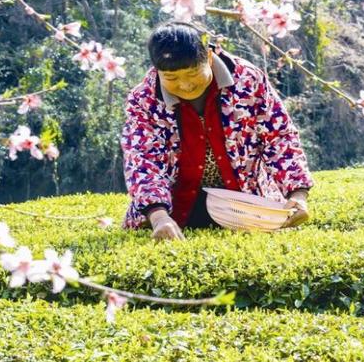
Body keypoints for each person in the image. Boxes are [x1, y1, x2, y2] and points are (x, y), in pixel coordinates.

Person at [120, 22, 314, 240]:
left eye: (192, 73)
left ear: (209, 58)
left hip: (245, 204)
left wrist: (298, 193)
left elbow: (279, 138)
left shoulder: (248, 80)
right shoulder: (143, 100)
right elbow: (142, 159)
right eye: (172, 78)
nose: (185, 85)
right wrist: (159, 217)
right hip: (174, 209)